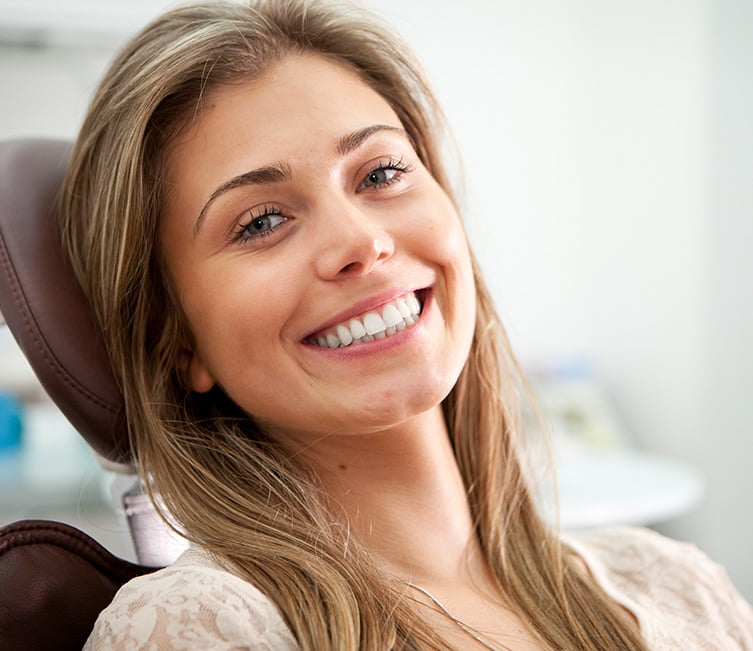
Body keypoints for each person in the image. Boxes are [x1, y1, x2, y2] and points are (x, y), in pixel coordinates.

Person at [59, 1, 753, 649]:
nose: (360, 241)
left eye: (381, 172)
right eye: (262, 221)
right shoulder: (199, 628)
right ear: (175, 339)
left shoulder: (675, 584)